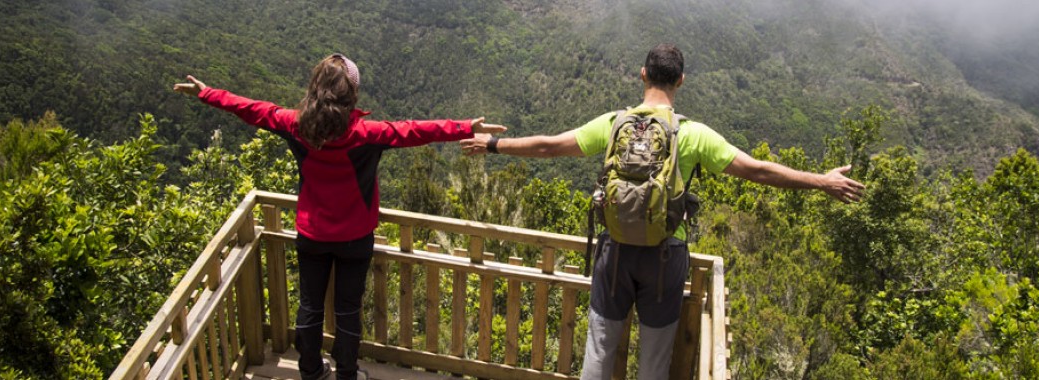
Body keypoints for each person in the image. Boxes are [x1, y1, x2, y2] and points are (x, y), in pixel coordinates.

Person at [460, 44, 864, 379]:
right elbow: (756, 171)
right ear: (681, 81)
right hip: (666, 256)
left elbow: (549, 146)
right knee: (654, 361)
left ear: (642, 75)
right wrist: (822, 181)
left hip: (614, 252)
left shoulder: (614, 124)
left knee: (600, 351)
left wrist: (492, 146)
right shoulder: (692, 134)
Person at [174, 54, 506, 380]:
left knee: (310, 307)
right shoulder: (366, 133)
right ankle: (347, 373)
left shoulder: (295, 125)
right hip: (355, 237)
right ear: (351, 94)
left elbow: (250, 108)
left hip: (312, 234)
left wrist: (206, 93)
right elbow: (415, 131)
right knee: (347, 311)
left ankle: (310, 371)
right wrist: (464, 127)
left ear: (316, 88)